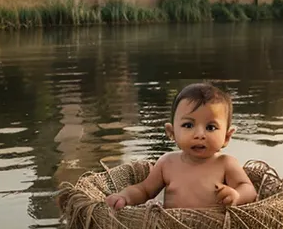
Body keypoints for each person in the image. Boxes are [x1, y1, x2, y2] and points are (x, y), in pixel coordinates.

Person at [106, 83, 257, 210]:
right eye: (188, 125)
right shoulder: (167, 163)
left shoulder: (225, 164)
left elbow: (249, 190)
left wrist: (236, 196)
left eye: (210, 127)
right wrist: (125, 196)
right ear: (171, 132)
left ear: (226, 137)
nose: (199, 134)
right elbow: (144, 190)